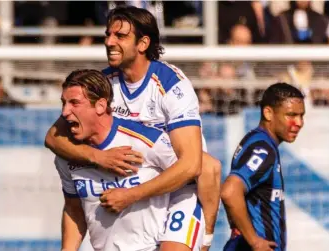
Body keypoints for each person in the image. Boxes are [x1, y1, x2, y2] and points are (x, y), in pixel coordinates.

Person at [45, 6, 221, 251]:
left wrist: (131, 195)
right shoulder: (103, 84)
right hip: (134, 184)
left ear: (143, 43)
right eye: (108, 35)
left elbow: (192, 165)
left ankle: (205, 239)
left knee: (208, 167)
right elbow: (53, 138)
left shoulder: (171, 85)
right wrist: (99, 157)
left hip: (178, 188)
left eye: (120, 36)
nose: (109, 42)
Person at [55, 69, 195, 251]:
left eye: (74, 103)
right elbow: (74, 209)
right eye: (63, 103)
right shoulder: (67, 156)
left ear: (100, 105)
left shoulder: (147, 140)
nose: (65, 112)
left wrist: (132, 195)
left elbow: (194, 174)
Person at [221, 83, 306, 251]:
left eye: (301, 116)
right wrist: (254, 241)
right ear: (268, 113)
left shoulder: (258, 142)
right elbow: (229, 191)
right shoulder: (263, 149)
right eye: (291, 115)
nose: (299, 123)